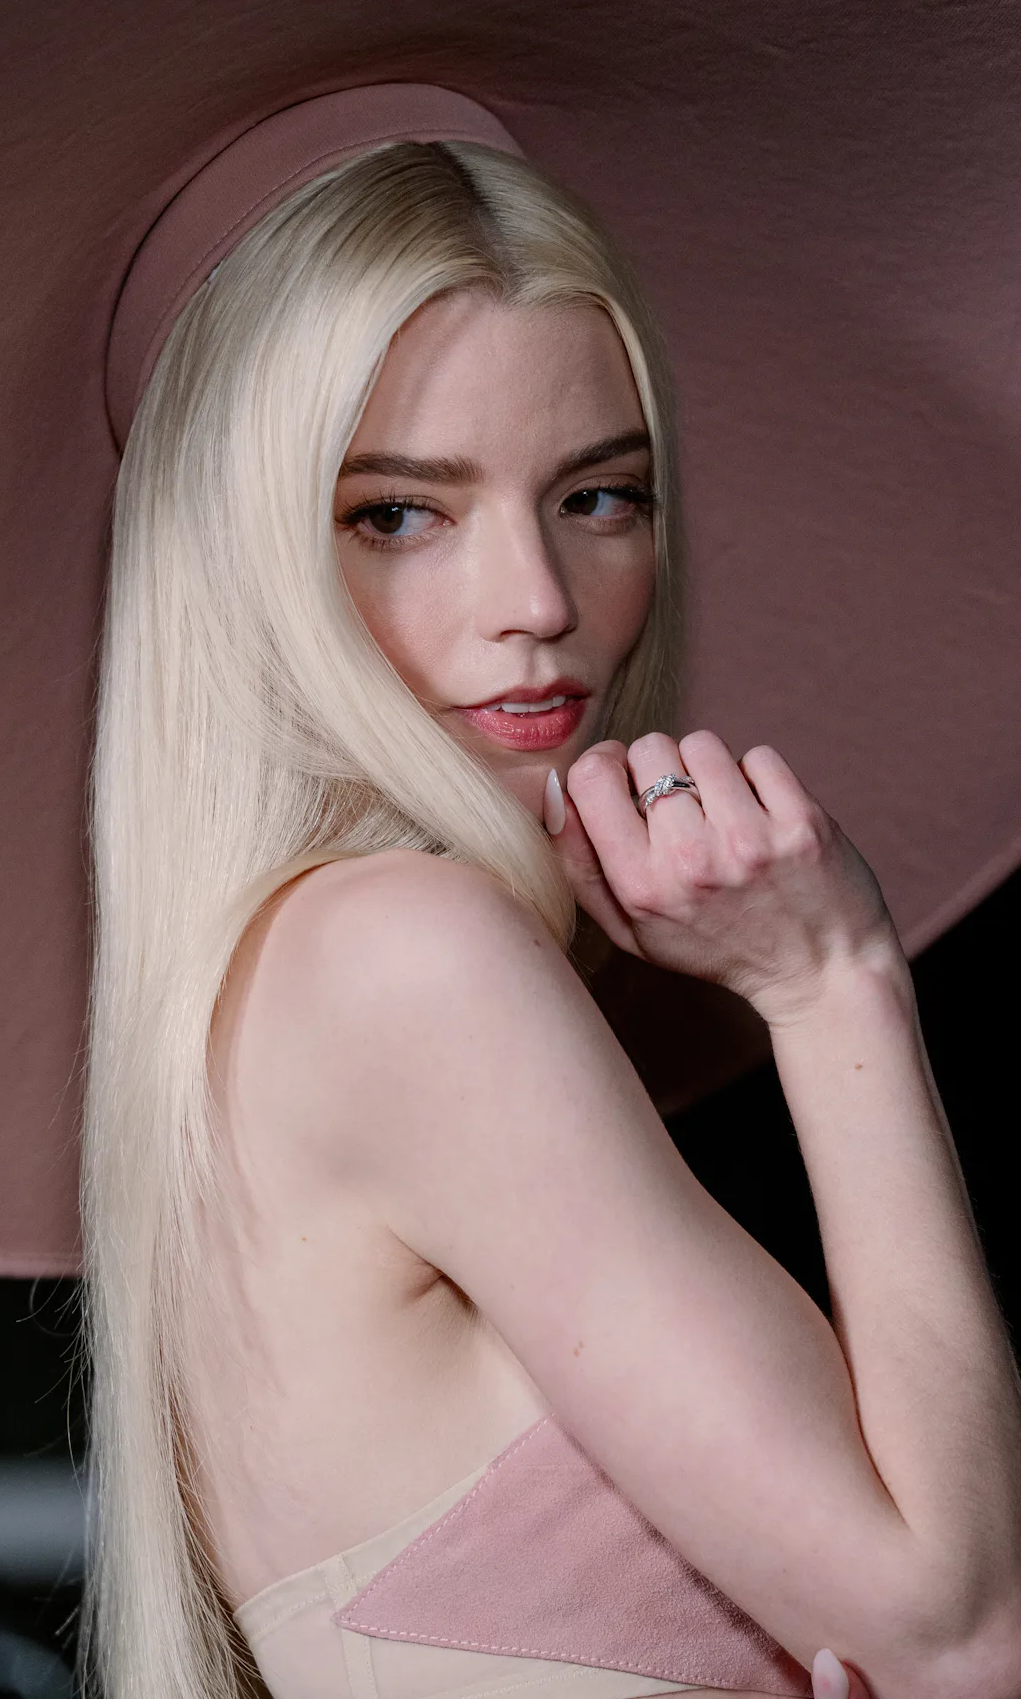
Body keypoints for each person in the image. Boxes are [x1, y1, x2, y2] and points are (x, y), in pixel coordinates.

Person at [82, 134, 1021, 1699]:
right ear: (243, 554)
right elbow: (967, 1638)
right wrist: (835, 981)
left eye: (598, 495)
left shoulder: (285, 976)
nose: (537, 599)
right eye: (399, 514)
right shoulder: (402, 960)